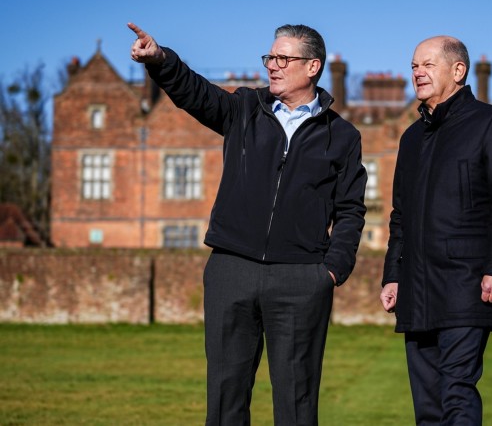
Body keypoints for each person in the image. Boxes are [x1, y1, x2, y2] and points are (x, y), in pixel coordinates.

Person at [128, 22, 367, 425]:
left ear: (312, 67)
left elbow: (351, 210)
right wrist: (161, 60)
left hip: (300, 278)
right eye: (269, 57)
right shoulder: (243, 109)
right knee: (225, 399)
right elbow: (194, 92)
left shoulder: (341, 135)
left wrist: (330, 271)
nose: (272, 65)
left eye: (282, 58)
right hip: (231, 269)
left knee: (296, 403)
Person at [380, 36, 492, 425]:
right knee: (427, 406)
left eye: (427, 64)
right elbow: (401, 215)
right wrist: (393, 275)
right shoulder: (411, 138)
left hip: (468, 283)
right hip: (416, 286)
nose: (417, 72)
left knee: (457, 392)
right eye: (414, 65)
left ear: (458, 71)